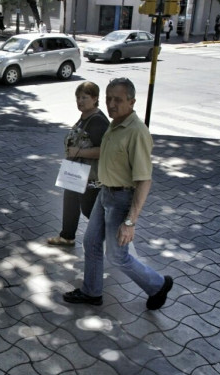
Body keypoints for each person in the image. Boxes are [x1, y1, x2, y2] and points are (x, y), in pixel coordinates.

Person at [63, 77, 173, 310]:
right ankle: (92, 292)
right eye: (109, 99)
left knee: (117, 256)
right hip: (105, 194)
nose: (112, 104)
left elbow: (144, 180)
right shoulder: (114, 124)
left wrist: (130, 221)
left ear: (132, 102)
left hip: (122, 199)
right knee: (91, 242)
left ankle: (158, 285)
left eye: (119, 100)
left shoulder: (136, 132)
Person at [48, 82, 110, 247]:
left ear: (95, 98)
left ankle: (117, 236)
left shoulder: (97, 121)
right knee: (70, 203)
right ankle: (67, 236)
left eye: (84, 97)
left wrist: (78, 152)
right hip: (76, 170)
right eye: (78, 97)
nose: (80, 101)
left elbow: (105, 150)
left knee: (89, 209)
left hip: (89, 174)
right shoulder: (86, 116)